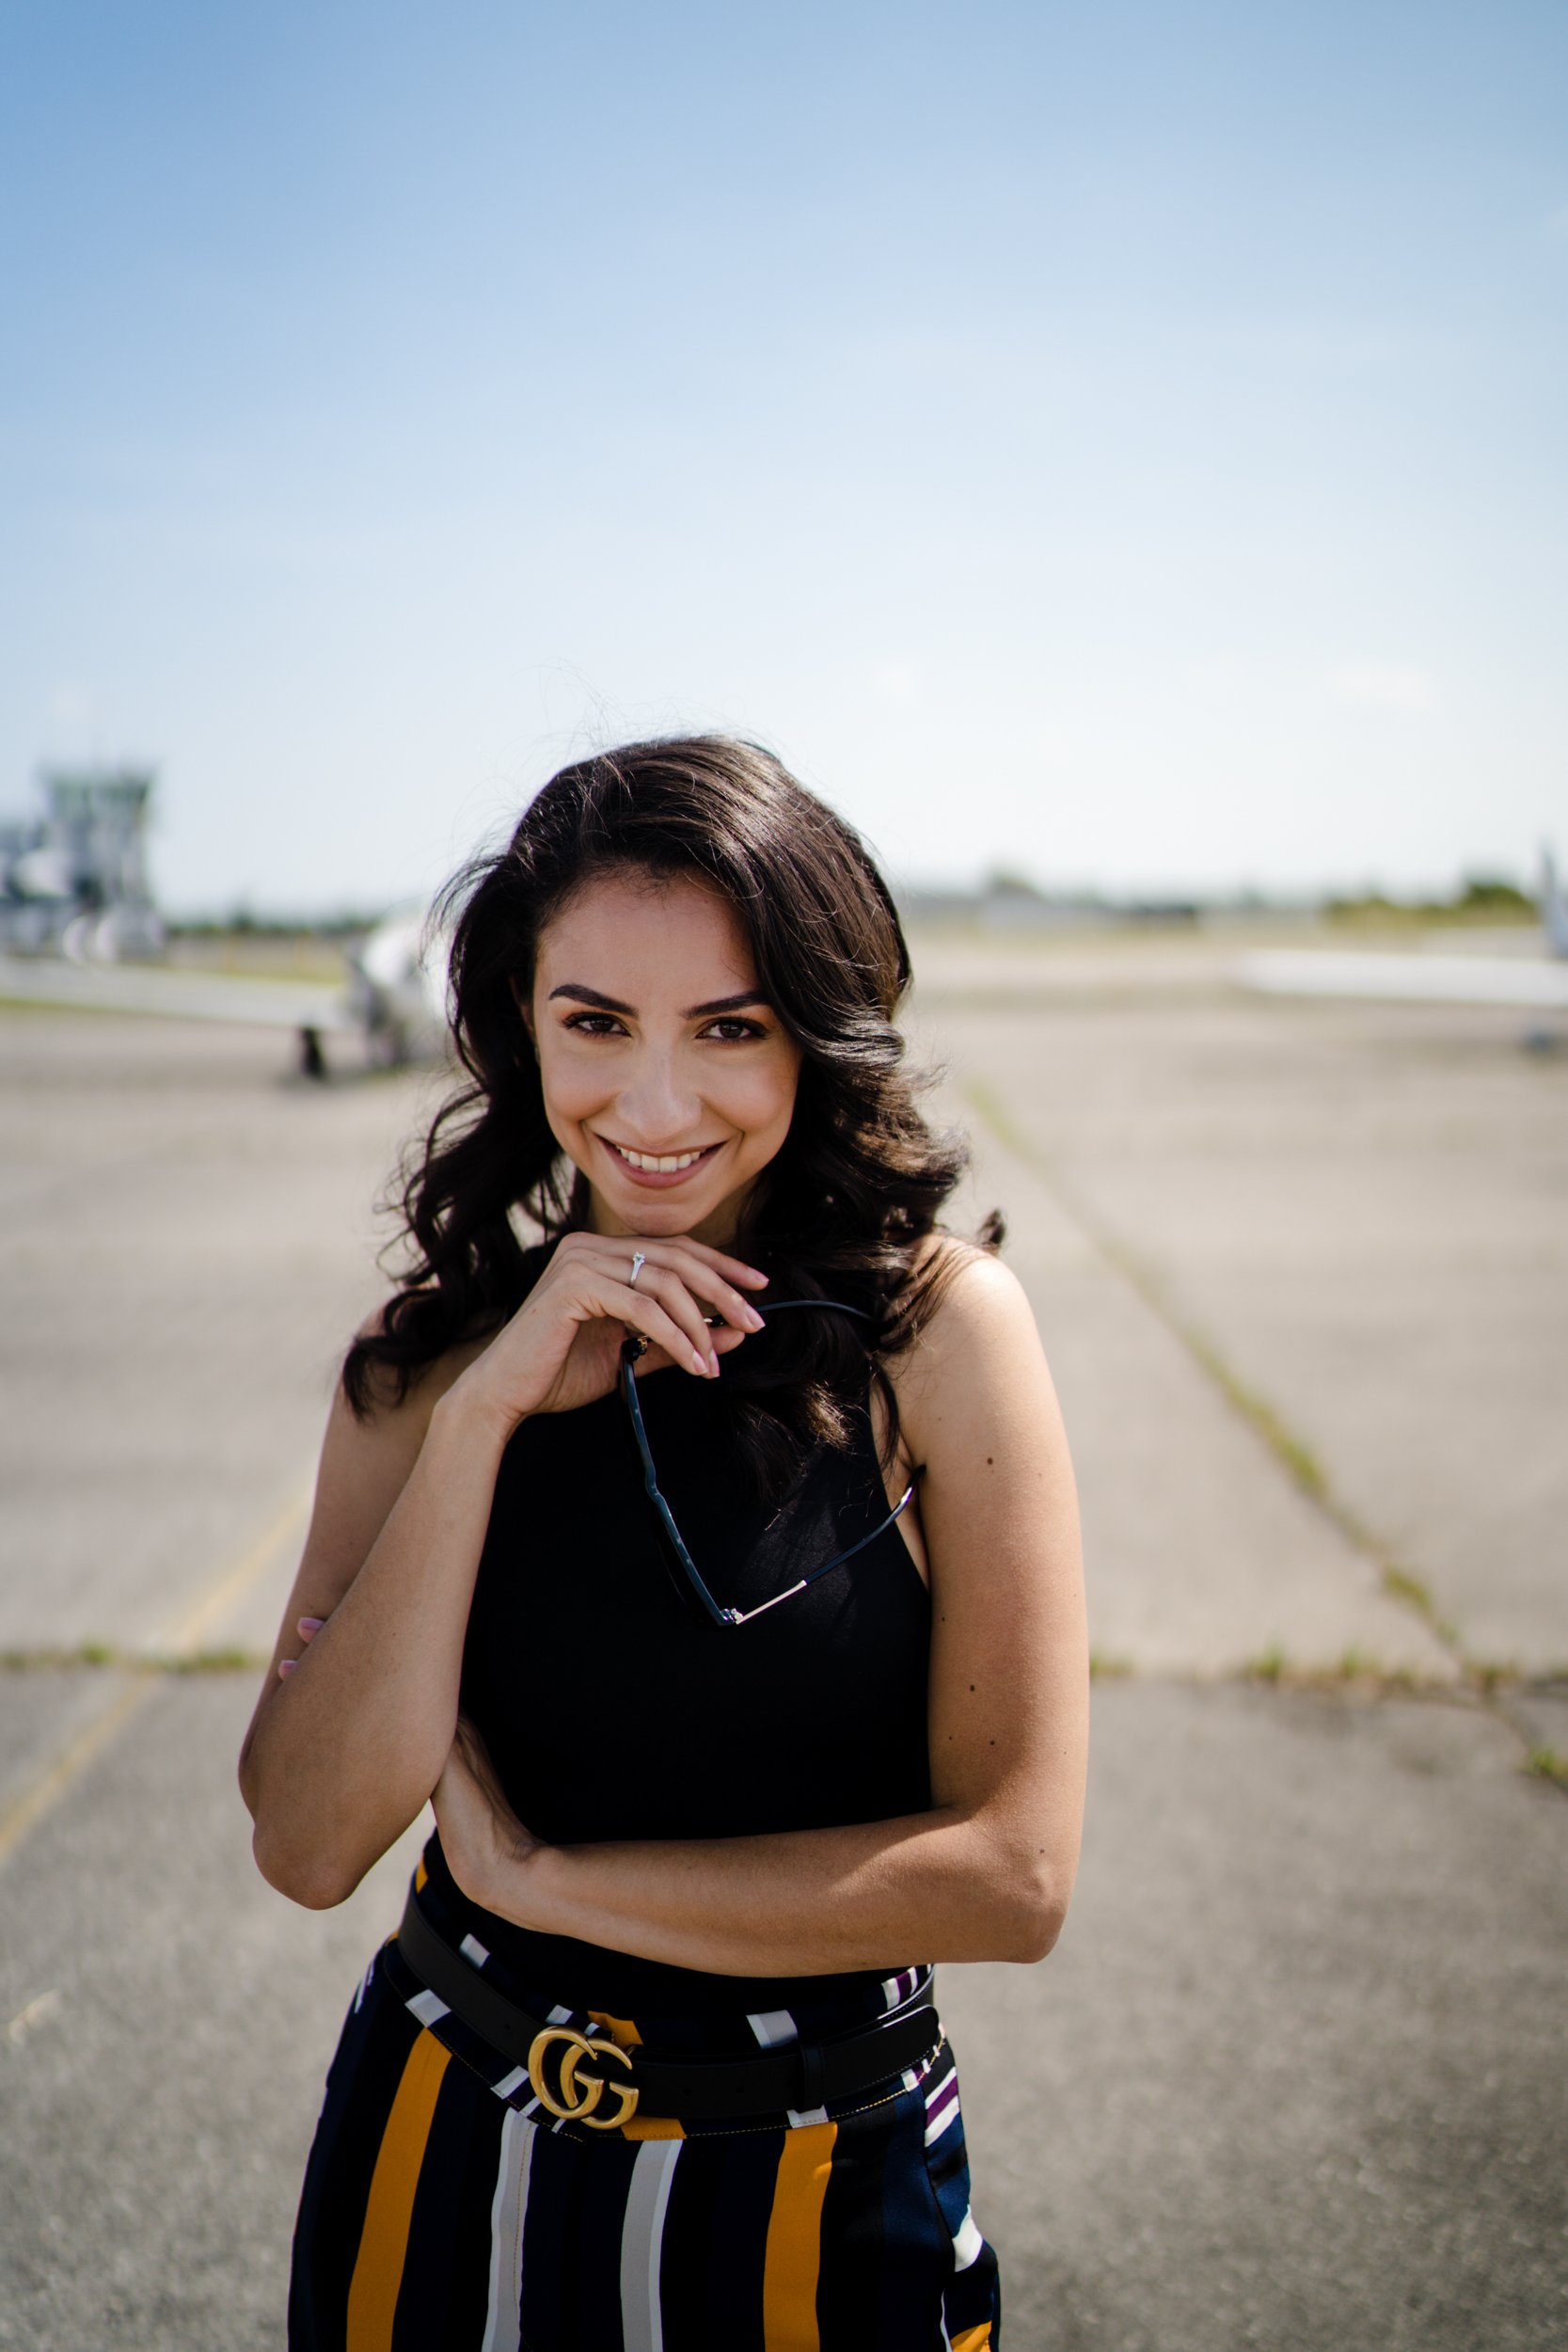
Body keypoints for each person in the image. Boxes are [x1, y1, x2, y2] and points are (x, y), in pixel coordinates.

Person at [240, 736, 1087, 2352]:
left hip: (816, 2195)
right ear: (521, 1021)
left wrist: (549, 1887)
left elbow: (1015, 1874)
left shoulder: (936, 1339)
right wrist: (485, 1415)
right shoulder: (426, 1367)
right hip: (440, 2160)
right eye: (596, 1024)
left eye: (729, 1029)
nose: (653, 1105)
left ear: (815, 1033)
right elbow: (306, 1841)